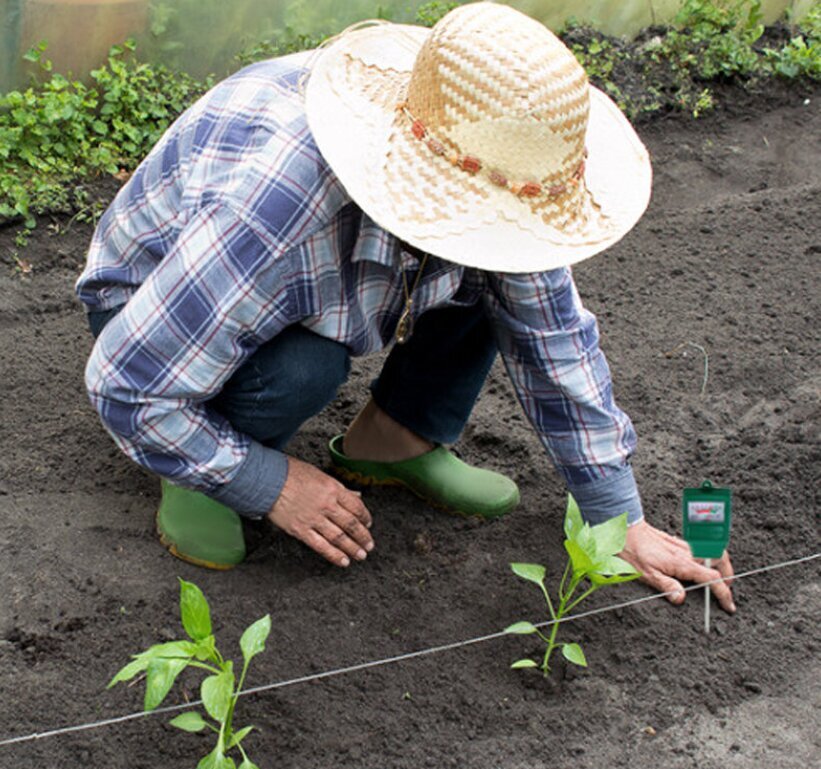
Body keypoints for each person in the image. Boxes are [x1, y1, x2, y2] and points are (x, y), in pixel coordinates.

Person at [77, 3, 734, 611]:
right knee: (307, 366)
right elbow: (127, 385)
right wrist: (268, 480)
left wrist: (615, 516)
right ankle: (208, 464)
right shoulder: (275, 213)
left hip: (258, 285)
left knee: (502, 272)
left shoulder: (489, 151)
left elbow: (551, 337)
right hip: (159, 320)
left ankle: (393, 441)